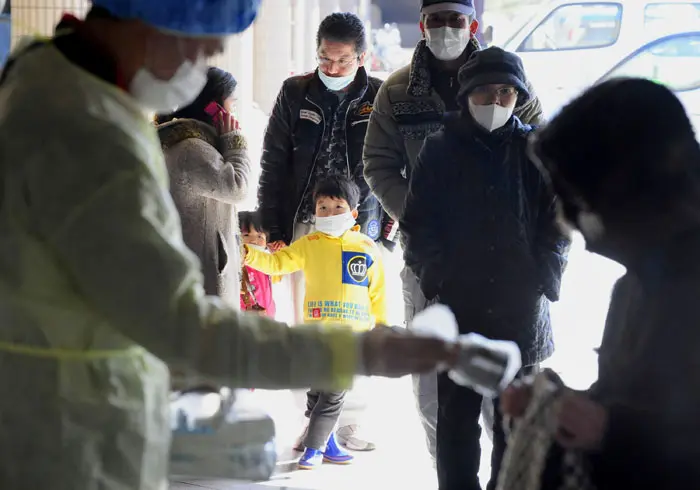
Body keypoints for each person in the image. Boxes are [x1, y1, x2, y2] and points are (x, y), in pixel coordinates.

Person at [0, 3, 463, 489]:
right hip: (69, 437)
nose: (208, 61)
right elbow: (187, 327)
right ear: (155, 23)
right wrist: (357, 352)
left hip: (70, 410)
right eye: (203, 47)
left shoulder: (46, 77)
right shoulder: (89, 133)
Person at [363, 0, 544, 459]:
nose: (446, 29)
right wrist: (424, 216)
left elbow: (545, 160)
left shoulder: (509, 75)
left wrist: (543, 261)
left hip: (506, 262)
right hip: (433, 261)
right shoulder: (397, 91)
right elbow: (378, 163)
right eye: (437, 20)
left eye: (456, 19)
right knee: (435, 390)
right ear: (423, 24)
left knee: (504, 389)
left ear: (473, 24)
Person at [501, 77, 700, 490]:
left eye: (584, 207)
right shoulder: (637, 285)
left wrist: (612, 432)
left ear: (642, 191)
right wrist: (565, 410)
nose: (583, 234)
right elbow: (631, 398)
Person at [401, 47, 570, 490]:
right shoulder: (439, 151)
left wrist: (543, 275)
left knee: (516, 425)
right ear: (465, 95)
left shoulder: (536, 151)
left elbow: (557, 224)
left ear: (518, 97)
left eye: (505, 93)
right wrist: (437, 276)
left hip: (522, 311)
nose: (495, 102)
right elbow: (418, 226)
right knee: (456, 427)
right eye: (484, 93)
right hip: (460, 308)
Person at [259, 11, 393, 451]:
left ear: (362, 57)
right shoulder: (295, 92)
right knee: (310, 326)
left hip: (360, 227)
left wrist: (390, 224)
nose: (331, 68)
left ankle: (349, 421)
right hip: (306, 223)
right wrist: (273, 224)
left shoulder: (380, 94)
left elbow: (397, 164)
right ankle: (314, 420)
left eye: (342, 61)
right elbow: (273, 162)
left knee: (358, 325)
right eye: (325, 59)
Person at [243, 175, 385, 468]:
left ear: (353, 213)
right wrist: (246, 252)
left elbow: (379, 291)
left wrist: (382, 327)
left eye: (337, 207)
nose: (329, 213)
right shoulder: (308, 244)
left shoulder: (366, 247)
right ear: (314, 211)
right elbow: (275, 263)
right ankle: (322, 444)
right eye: (322, 207)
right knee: (319, 391)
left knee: (333, 392)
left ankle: (316, 446)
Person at [156, 67, 249, 308]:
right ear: (214, 108)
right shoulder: (193, 150)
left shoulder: (191, 144)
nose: (234, 111)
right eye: (232, 103)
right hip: (204, 273)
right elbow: (237, 187)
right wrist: (236, 141)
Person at [239, 210, 277, 317]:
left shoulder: (266, 261)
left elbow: (280, 272)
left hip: (268, 320)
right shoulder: (238, 266)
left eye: (260, 236)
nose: (254, 240)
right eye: (246, 235)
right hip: (248, 323)